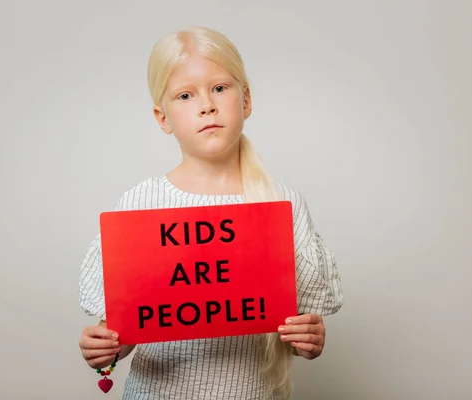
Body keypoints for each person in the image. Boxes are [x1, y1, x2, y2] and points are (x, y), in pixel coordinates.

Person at [78, 26, 344, 400]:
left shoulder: (282, 204)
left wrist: (309, 338)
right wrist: (104, 350)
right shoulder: (140, 205)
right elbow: (123, 334)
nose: (207, 105)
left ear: (246, 100)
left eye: (220, 88)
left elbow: (298, 326)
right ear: (163, 118)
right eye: (185, 95)